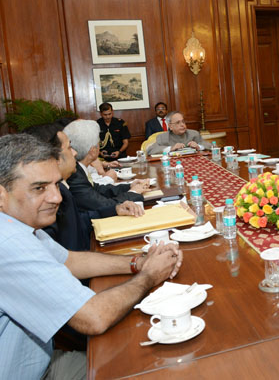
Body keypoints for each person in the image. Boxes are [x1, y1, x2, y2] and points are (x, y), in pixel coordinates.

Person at [0, 133, 182, 379]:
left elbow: (70, 260)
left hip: (40, 364)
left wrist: (138, 262)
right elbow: (93, 317)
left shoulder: (17, 224)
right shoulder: (9, 241)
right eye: (39, 188)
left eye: (55, 184)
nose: (56, 197)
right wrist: (149, 275)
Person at [24, 122, 144, 251]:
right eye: (69, 148)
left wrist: (116, 209)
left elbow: (76, 222)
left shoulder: (62, 187)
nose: (75, 153)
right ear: (52, 158)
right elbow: (67, 255)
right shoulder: (51, 196)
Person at [64, 120, 149, 212]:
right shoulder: (74, 175)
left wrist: (130, 186)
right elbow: (103, 206)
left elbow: (99, 189)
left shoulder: (79, 169)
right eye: (98, 143)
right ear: (93, 151)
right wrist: (134, 192)